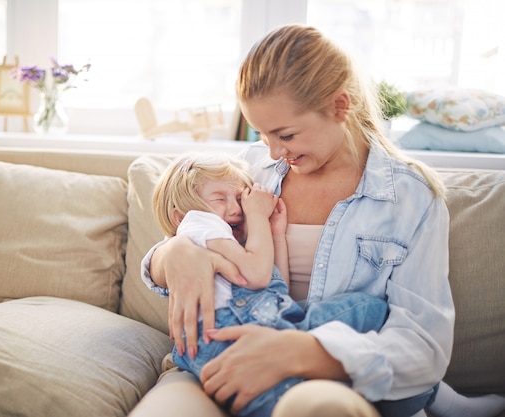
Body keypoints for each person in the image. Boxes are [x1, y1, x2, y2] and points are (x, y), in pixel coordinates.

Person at [130, 24, 505, 417]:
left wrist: (305, 351)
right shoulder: (253, 171)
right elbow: (199, 232)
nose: (274, 150)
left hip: (329, 378)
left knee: (313, 408)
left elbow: (423, 347)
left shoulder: (410, 198)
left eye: (286, 134)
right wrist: (171, 254)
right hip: (219, 364)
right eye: (262, 135)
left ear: (339, 106)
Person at [149, 152, 388, 417]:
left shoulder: (231, 243)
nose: (236, 208)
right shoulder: (197, 225)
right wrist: (258, 216)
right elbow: (257, 276)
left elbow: (274, 289)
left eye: (241, 198)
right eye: (219, 198)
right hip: (221, 341)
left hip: (273, 321)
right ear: (180, 217)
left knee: (367, 307)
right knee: (279, 397)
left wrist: (276, 234)